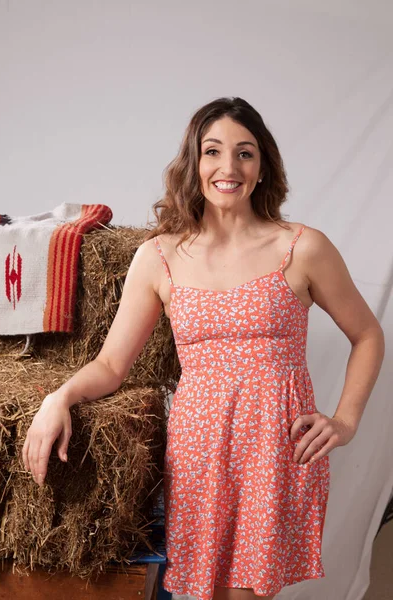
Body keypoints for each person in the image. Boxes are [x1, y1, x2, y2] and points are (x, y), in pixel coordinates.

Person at [22, 97, 385, 600]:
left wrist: (344, 421)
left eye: (245, 153)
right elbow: (110, 364)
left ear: (263, 167)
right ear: (194, 163)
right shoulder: (159, 257)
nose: (228, 167)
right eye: (213, 151)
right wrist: (56, 398)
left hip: (275, 453)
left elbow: (367, 334)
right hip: (197, 456)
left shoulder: (303, 248)